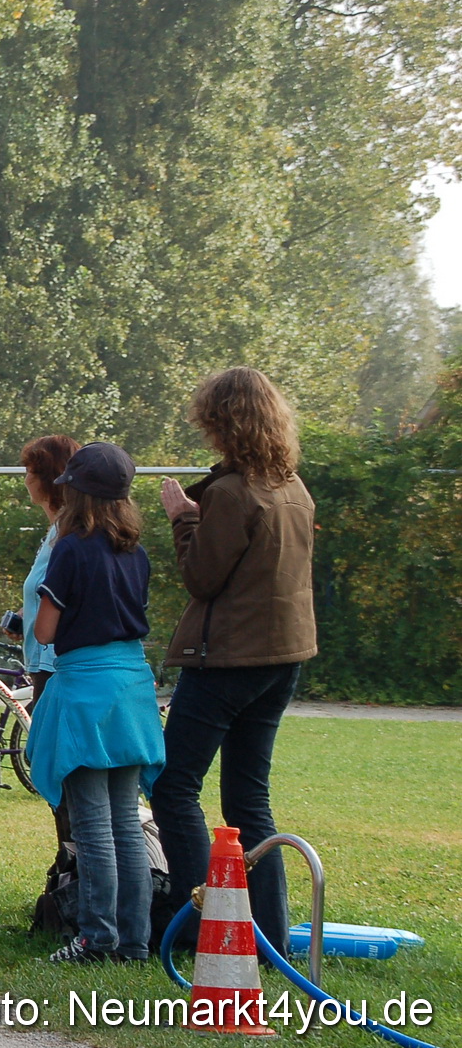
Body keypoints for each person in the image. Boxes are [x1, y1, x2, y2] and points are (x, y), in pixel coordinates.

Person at [152, 367, 316, 956]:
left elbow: (202, 576)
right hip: (283, 657)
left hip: (226, 661)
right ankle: (271, 935)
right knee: (249, 798)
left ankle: (204, 927)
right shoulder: (293, 487)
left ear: (221, 422)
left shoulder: (229, 493)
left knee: (174, 786)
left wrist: (181, 516)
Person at [26, 442, 165, 964]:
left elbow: (46, 628)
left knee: (92, 825)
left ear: (74, 492)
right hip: (132, 687)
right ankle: (135, 940)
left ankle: (96, 937)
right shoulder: (136, 551)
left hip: (85, 687)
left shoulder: (71, 549)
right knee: (127, 821)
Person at [18, 434, 81, 845]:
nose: (25, 480)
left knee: (56, 768)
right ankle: (69, 867)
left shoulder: (67, 536)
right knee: (48, 765)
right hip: (43, 660)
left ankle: (75, 871)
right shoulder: (54, 532)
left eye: (30, 472)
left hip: (54, 667)